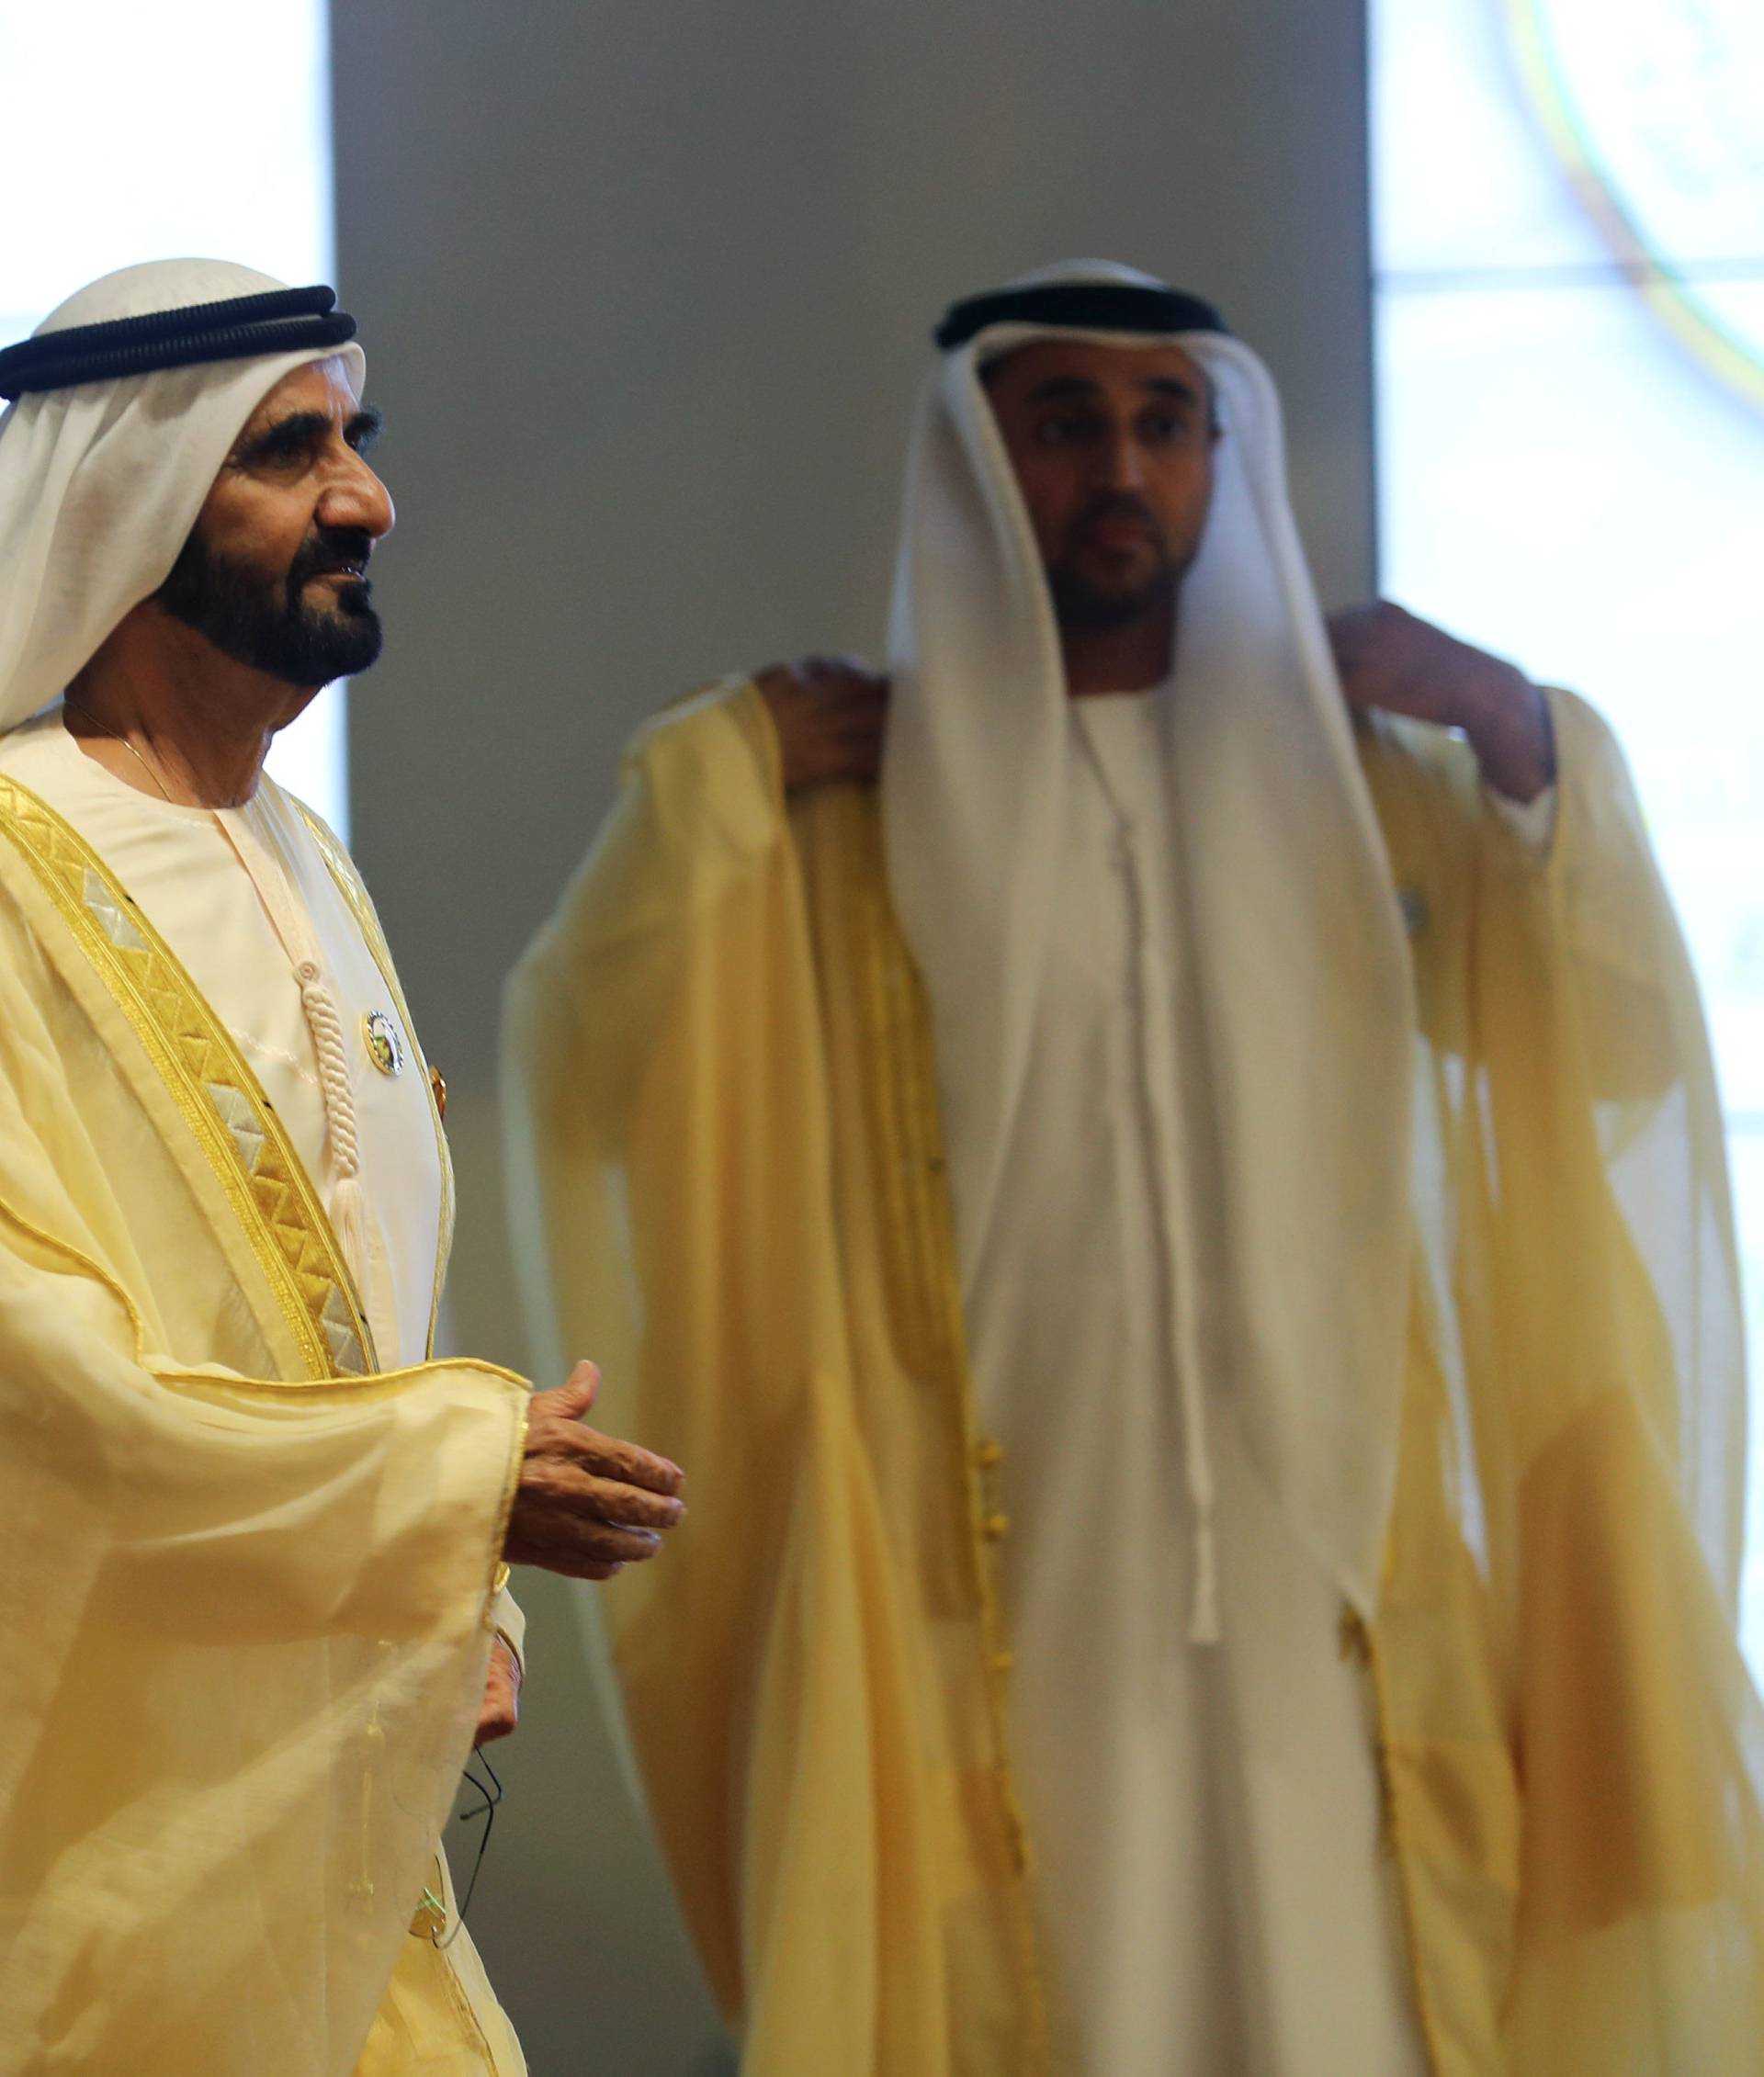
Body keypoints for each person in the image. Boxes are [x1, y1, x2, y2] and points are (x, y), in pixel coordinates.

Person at [503, 261, 1764, 2074]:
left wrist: (1515, 737)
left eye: (1165, 422)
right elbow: (587, 1065)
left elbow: (1618, 1042)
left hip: (1323, 1582)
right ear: (977, 463)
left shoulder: (1360, 792)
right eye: (1066, 422)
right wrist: (710, 784)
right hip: (1012, 1581)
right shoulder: (847, 805)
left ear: (1214, 452)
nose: (1121, 468)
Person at [0, 260, 685, 2077]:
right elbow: (33, 1385)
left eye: (354, 440)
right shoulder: (8, 869)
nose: (367, 497)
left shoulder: (308, 858)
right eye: (291, 449)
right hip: (99, 1846)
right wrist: (454, 1488)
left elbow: (362, 1306)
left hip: (338, 1805)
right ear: (133, 497)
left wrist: (465, 1589)